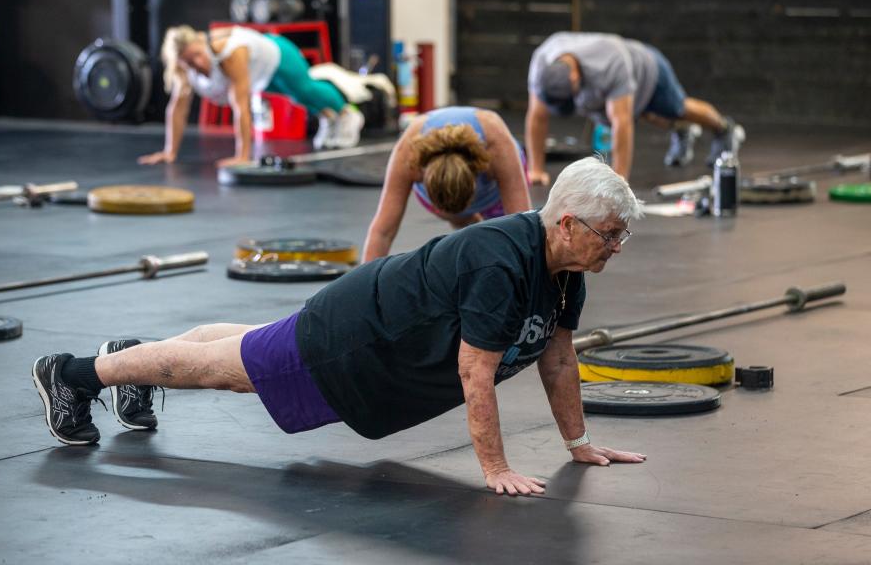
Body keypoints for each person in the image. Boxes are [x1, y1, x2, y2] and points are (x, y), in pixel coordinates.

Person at [32, 156, 647, 496]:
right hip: (352, 342)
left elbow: (559, 357)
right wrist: (494, 470)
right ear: (566, 222)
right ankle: (76, 374)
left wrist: (577, 443)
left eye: (621, 234)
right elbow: (474, 371)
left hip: (367, 322)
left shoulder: (566, 269)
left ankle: (131, 357)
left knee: (239, 347)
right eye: (610, 233)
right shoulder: (502, 264)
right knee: (228, 372)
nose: (618, 246)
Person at [525, 31, 745, 183]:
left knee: (678, 108)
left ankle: (724, 129)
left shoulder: (609, 63)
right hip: (613, 86)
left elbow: (622, 123)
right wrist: (536, 170)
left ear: (574, 77)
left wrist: (619, 180)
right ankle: (682, 130)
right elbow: (537, 117)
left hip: (649, 69)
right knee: (650, 116)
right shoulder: (541, 64)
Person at [139, 25, 364, 167]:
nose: (196, 63)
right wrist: (170, 152)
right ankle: (328, 117)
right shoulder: (185, 72)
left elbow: (241, 106)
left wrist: (243, 156)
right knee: (295, 98)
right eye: (188, 61)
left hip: (278, 55)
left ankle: (348, 113)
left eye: (197, 55)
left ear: (201, 41)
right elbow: (178, 109)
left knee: (304, 89)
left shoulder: (228, 53)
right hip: (261, 74)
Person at [362, 106, 531, 263]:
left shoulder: (496, 145)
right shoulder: (408, 153)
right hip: (439, 191)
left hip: (492, 194)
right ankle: (467, 223)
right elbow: (382, 232)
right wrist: (363, 287)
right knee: (477, 237)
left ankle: (477, 231)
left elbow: (524, 227)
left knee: (506, 236)